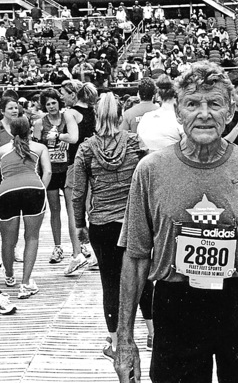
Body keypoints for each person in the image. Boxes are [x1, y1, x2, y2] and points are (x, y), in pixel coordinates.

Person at [115, 61, 238, 383]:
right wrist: (125, 338)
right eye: (193, 104)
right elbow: (136, 255)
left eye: (214, 104)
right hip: (177, 303)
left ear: (229, 112)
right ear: (178, 114)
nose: (204, 113)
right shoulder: (151, 170)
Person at [72, 92, 153, 361]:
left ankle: (117, 342)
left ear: (96, 116)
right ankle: (153, 333)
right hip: (133, 222)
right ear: (120, 116)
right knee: (142, 276)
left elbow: (78, 192)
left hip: (102, 223)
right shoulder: (134, 143)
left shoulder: (86, 149)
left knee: (110, 282)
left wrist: (79, 224)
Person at [0, 116, 51, 299]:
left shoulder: (2, 150)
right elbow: (48, 172)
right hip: (33, 189)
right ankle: (26, 282)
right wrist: (41, 189)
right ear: (30, 129)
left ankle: (9, 275)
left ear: (11, 131)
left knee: (7, 239)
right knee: (32, 237)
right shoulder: (39, 148)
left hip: (7, 192)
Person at [33, 88, 77, 265]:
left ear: (59, 102)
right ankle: (58, 246)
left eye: (53, 102)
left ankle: (77, 246)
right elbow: (35, 149)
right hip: (50, 171)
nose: (51, 106)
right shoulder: (39, 123)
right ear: (44, 105)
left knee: (72, 209)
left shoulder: (67, 118)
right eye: (47, 104)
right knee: (55, 210)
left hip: (67, 169)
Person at [60, 80, 98, 275]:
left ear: (73, 95)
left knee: (73, 211)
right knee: (92, 209)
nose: (61, 97)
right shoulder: (95, 111)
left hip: (76, 163)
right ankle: (96, 254)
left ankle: (77, 255)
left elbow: (73, 138)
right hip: (94, 164)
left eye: (63, 93)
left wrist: (58, 136)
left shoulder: (70, 113)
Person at [137, 74, 184, 152]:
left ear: (157, 96)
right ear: (177, 96)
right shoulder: (180, 122)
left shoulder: (146, 118)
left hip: (147, 161)